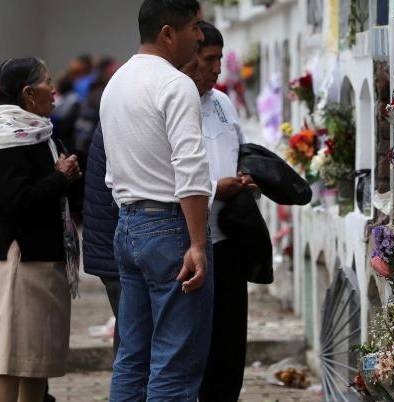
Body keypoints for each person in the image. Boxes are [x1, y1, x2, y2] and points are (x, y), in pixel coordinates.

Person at [100, 1, 213, 401]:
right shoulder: (175, 84)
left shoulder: (117, 82)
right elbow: (190, 167)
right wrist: (197, 243)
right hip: (169, 228)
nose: (199, 36)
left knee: (132, 358)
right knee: (174, 363)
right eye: (194, 27)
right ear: (168, 33)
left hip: (129, 223)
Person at [181, 21, 257, 402]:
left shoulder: (223, 103)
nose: (216, 69)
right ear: (188, 57)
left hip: (229, 238)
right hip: (188, 242)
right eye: (209, 59)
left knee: (230, 343)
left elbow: (239, 149)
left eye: (219, 59)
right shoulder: (176, 103)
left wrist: (246, 178)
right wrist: (214, 189)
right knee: (195, 345)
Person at [0, 57, 81, 402]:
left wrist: (67, 176)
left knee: (36, 363)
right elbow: (17, 202)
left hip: (45, 260)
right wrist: (59, 178)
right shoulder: (9, 138)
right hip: (22, 261)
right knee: (10, 361)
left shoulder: (41, 133)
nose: (55, 90)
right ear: (28, 93)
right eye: (48, 82)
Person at [81, 123, 121, 357]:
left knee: (132, 338)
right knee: (134, 340)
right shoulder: (120, 118)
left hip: (111, 246)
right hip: (115, 248)